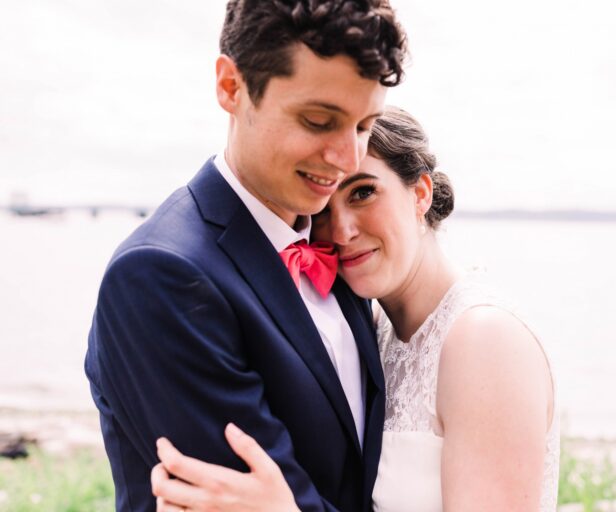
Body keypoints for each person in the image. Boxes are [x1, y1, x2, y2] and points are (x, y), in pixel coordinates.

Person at [151, 106, 560, 511]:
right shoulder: (371, 330)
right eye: (324, 209)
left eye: (364, 193)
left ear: (420, 193)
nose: (343, 230)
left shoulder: (485, 338)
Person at [84, 1, 407, 510]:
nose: (347, 159)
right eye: (319, 120)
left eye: (365, 125)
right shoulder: (160, 276)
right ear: (231, 87)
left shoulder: (336, 246)